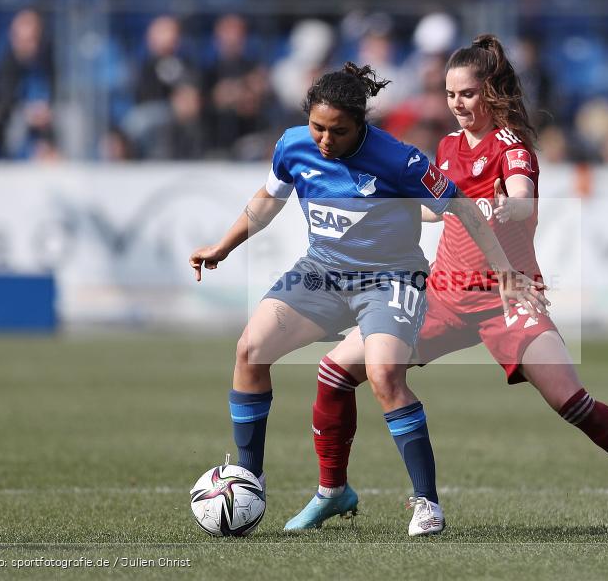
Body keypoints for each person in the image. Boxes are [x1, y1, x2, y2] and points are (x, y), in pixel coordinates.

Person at [283, 36, 608, 534]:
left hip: (507, 295)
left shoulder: (513, 147)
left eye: (467, 94)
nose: (457, 104)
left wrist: (509, 207)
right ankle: (332, 491)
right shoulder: (447, 147)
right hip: (441, 294)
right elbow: (434, 209)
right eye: (450, 94)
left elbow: (522, 197)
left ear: (492, 92)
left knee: (571, 401)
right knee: (334, 372)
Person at [189, 62, 544, 537]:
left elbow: (460, 206)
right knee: (250, 351)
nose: (325, 140)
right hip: (322, 274)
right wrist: (223, 246)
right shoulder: (293, 145)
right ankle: (249, 478)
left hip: (392, 280)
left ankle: (427, 504)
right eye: (318, 127)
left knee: (383, 375)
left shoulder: (401, 160)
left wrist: (504, 271)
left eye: (338, 131)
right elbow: (268, 199)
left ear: (361, 125)